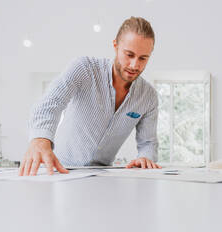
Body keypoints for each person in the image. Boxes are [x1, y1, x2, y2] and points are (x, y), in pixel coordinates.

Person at [19, 16, 161, 176]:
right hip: (61, 170)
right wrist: (40, 139)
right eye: (129, 55)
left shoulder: (148, 97)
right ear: (115, 46)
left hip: (102, 175)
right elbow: (51, 103)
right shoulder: (84, 69)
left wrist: (145, 157)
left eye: (143, 58)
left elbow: (148, 143)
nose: (135, 65)